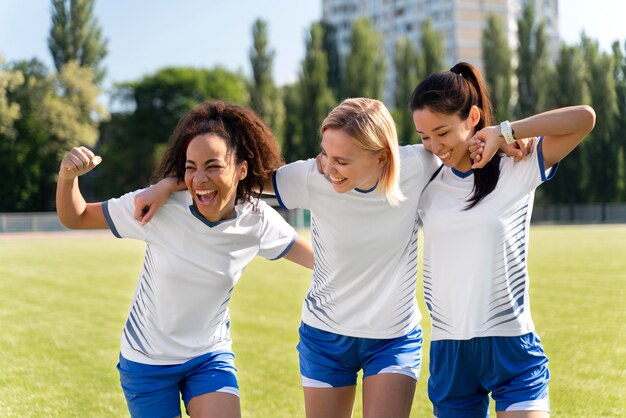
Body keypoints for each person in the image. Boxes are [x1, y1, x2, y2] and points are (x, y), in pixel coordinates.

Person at [135, 97, 529, 418]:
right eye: (325, 154)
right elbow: (226, 175)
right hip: (325, 337)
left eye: (341, 160)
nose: (328, 168)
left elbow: (459, 144)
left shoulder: (418, 165)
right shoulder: (310, 177)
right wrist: (169, 183)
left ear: (380, 156)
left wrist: (506, 138)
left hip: (392, 338)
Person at [56, 101, 314, 418]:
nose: (200, 179)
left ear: (242, 170)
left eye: (213, 165)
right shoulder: (158, 208)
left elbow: (322, 261)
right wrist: (68, 176)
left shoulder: (257, 219)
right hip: (147, 361)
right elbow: (78, 216)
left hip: (209, 356)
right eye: (190, 167)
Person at [410, 61, 596, 418]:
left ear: (473, 117)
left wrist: (506, 132)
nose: (433, 146)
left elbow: (583, 118)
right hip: (451, 354)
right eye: (423, 136)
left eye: (442, 132)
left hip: (512, 347)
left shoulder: (518, 165)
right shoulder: (424, 180)